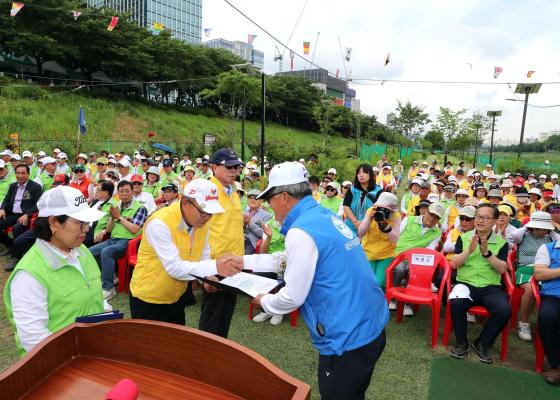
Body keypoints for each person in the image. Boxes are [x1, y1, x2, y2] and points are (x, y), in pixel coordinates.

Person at [252, 161, 388, 400]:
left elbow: (292, 297)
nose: (267, 204)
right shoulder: (321, 215)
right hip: (369, 324)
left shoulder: (301, 230)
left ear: (283, 197)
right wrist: (243, 262)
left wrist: (264, 301)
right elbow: (297, 259)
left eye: (269, 198)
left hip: (348, 337)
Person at [3, 186, 106, 357]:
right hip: (60, 364)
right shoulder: (29, 275)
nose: (87, 228)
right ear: (53, 223)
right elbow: (34, 339)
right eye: (81, 223)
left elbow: (95, 297)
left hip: (91, 351)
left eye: (87, 223)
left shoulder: (82, 251)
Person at [129, 179, 249, 325]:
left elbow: (202, 255)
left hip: (177, 296)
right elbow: (174, 268)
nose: (208, 218)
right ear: (186, 202)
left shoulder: (201, 221)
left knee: (176, 344)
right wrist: (216, 266)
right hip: (148, 298)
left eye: (211, 213)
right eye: (204, 212)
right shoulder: (160, 223)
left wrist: (206, 278)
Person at [449, 204, 511, 364]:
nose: (480, 220)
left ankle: (482, 342)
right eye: (478, 216)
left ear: (495, 221)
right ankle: (461, 343)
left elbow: (503, 269)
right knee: (456, 302)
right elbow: (454, 264)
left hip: (490, 286)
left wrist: (486, 253)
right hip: (466, 283)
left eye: (485, 217)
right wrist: (469, 250)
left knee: (504, 310)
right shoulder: (464, 238)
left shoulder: (501, 243)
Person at [198, 148, 245, 338]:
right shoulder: (206, 190)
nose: (234, 170)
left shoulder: (234, 190)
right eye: (229, 167)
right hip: (215, 265)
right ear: (215, 167)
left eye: (237, 167)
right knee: (211, 320)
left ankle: (216, 358)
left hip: (234, 263)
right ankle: (205, 360)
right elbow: (197, 230)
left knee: (224, 316)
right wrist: (205, 272)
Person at [89, 180, 148, 300]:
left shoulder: (140, 208)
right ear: (118, 194)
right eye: (121, 191)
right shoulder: (118, 206)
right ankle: (111, 276)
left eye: (127, 191)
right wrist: (112, 217)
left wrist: (119, 217)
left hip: (128, 242)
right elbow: (109, 229)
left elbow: (134, 229)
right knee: (90, 252)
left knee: (106, 251)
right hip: (113, 239)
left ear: (132, 192)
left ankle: (108, 288)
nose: (124, 194)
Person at [510, 212, 559, 341]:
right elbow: (514, 235)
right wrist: (528, 225)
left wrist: (551, 228)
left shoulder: (550, 239)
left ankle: (547, 321)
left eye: (544, 229)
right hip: (525, 269)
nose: (541, 231)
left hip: (544, 270)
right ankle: (524, 323)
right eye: (538, 228)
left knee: (548, 289)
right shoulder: (523, 236)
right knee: (531, 290)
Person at [358, 192, 401, 289]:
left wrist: (387, 227)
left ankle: (380, 301)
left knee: (378, 282)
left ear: (392, 210)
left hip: (386, 254)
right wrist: (369, 219)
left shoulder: (396, 216)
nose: (381, 211)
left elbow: (395, 239)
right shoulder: (371, 211)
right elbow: (360, 233)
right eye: (380, 207)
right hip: (368, 252)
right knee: (368, 281)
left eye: (386, 209)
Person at [0, 165, 43, 257]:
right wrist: (2, 209)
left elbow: (39, 204)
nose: (20, 175)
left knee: (17, 228)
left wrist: (27, 214)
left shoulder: (35, 186)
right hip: (13, 214)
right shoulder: (13, 186)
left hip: (26, 215)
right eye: (18, 173)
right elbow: (6, 199)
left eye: (23, 173)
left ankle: (15, 257)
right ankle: (10, 246)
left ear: (28, 174)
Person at [533, 238, 560, 385]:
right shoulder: (548, 248)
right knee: (547, 317)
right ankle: (556, 365)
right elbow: (539, 274)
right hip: (554, 296)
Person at [343, 164, 381, 234]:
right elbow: (346, 206)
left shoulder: (378, 191)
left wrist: (363, 223)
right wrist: (355, 222)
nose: (361, 175)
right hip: (351, 227)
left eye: (364, 172)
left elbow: (379, 210)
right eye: (359, 173)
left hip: (369, 228)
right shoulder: (352, 189)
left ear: (371, 175)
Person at [243, 189, 272, 255]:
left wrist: (250, 223)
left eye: (255, 198)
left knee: (243, 257)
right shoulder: (243, 213)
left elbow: (264, 234)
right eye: (250, 198)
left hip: (252, 243)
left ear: (261, 200)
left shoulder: (267, 215)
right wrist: (243, 225)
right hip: (239, 240)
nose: (252, 200)